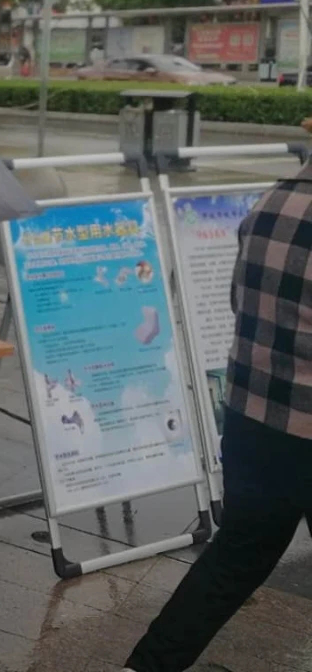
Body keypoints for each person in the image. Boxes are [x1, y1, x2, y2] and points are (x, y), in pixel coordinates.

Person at [122, 166, 312, 672]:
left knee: (234, 558)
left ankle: (144, 667)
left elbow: (238, 303)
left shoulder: (272, 202)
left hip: (253, 421)